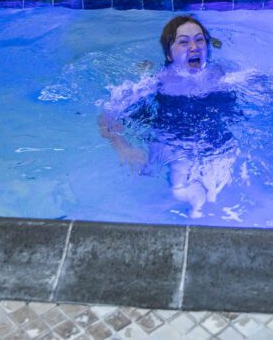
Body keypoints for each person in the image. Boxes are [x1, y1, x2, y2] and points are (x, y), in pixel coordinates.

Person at [99, 15, 240, 218]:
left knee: (218, 194)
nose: (194, 47)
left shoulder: (224, 76)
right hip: (172, 141)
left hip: (216, 141)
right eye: (183, 42)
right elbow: (107, 115)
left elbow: (272, 90)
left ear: (208, 47)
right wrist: (123, 147)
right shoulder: (154, 83)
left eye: (200, 40)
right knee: (182, 192)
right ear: (169, 55)